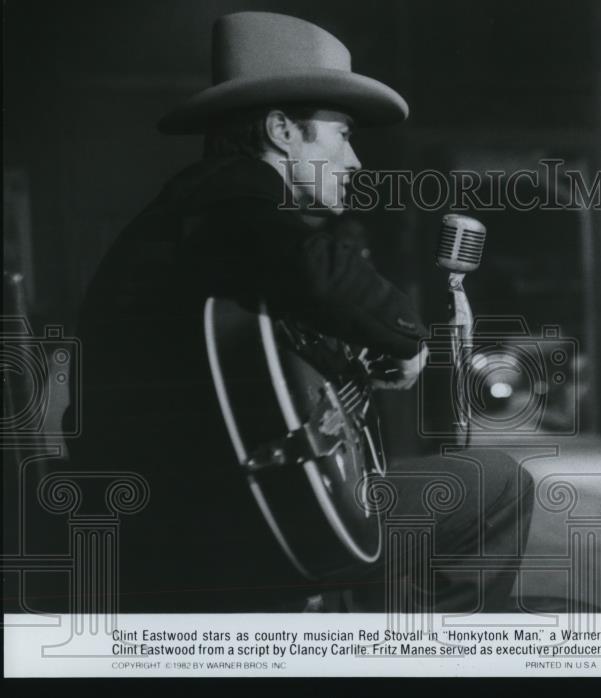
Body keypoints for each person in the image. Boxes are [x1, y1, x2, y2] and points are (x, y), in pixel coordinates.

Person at [63, 12, 534, 613]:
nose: (356, 161)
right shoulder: (227, 200)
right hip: (221, 529)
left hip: (182, 515)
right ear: (283, 130)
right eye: (342, 135)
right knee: (498, 485)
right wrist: (408, 339)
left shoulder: (195, 215)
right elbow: (317, 269)